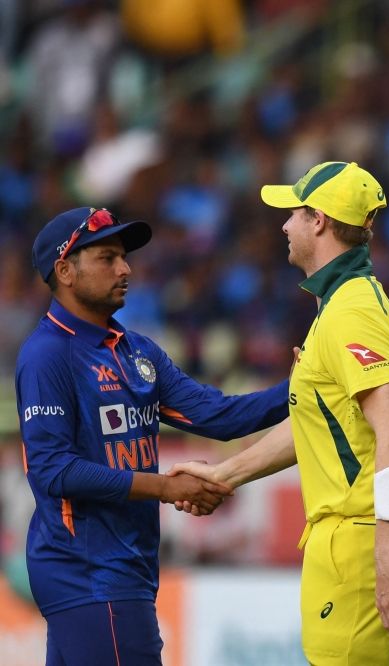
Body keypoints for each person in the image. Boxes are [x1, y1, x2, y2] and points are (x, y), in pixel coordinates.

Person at [168, 162, 389, 665]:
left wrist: (385, 555)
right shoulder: (346, 304)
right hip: (362, 532)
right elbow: (318, 425)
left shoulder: (350, 312)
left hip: (360, 532)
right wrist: (224, 475)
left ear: (318, 220)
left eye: (292, 213)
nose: (284, 225)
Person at [16, 207, 291, 666]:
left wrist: (305, 385)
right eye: (107, 258)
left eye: (123, 257)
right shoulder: (47, 354)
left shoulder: (138, 351)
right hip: (87, 570)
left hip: (126, 566)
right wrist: (165, 487)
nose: (125, 269)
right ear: (64, 270)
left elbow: (218, 416)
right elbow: (54, 470)